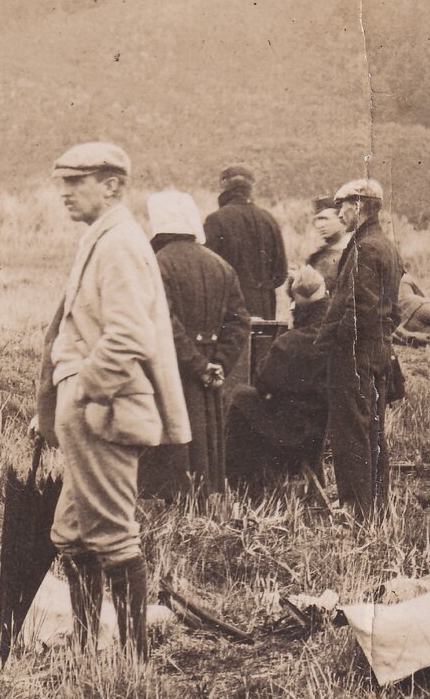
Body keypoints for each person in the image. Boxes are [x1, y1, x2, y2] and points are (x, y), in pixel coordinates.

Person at [36, 143, 190, 653]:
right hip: (89, 412)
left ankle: (132, 658)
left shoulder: (119, 242)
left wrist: (83, 392)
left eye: (74, 182)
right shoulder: (103, 238)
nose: (64, 193)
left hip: (103, 411)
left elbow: (128, 335)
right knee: (72, 534)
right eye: (62, 182)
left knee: (112, 538)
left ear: (113, 185)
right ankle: (86, 648)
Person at [138, 190, 249, 501]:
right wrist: (220, 364)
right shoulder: (221, 265)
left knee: (173, 442)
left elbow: (165, 324)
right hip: (210, 370)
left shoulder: (157, 264)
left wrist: (197, 365)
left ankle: (172, 508)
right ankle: (202, 505)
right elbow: (240, 323)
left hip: (173, 369)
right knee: (205, 444)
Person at [317, 178, 405, 518]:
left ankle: (357, 511)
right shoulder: (385, 246)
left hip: (354, 358)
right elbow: (392, 312)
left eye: (343, 207)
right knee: (373, 436)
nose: (339, 214)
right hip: (376, 354)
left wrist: (328, 345)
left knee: (352, 437)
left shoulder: (365, 248)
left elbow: (357, 309)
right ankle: (375, 511)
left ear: (359, 206)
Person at [227, 267, 333, 496]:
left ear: (297, 303)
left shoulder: (292, 343)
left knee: (240, 398)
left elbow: (263, 382)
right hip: (323, 427)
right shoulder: (339, 333)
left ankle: (244, 486)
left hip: (294, 431)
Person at [203, 166, 289, 323]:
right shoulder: (269, 219)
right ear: (251, 187)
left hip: (229, 307)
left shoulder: (215, 220)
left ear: (224, 185)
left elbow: (208, 272)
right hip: (265, 306)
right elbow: (281, 273)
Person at [304, 198, 348, 285]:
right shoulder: (319, 254)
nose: (319, 225)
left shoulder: (352, 254)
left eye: (325, 219)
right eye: (317, 220)